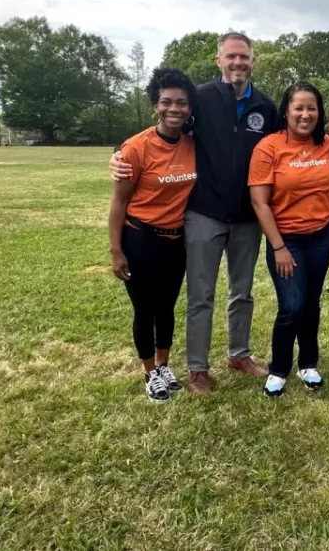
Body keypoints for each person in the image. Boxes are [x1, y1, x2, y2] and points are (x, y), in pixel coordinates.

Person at [111, 32, 277, 394]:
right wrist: (119, 150)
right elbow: (164, 128)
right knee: (201, 295)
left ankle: (239, 354)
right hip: (204, 214)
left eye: (244, 57)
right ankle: (198, 369)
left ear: (253, 60)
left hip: (248, 218)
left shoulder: (265, 108)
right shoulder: (199, 99)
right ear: (219, 60)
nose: (237, 63)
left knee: (242, 291)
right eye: (230, 56)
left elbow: (282, 149)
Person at [107, 67, 198, 403]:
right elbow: (118, 203)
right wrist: (116, 250)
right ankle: (149, 373)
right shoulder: (136, 148)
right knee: (144, 310)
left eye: (182, 103)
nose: (174, 109)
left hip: (175, 243)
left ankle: (163, 366)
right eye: (166, 102)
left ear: (190, 109)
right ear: (155, 105)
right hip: (141, 240)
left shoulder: (192, 144)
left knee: (167, 308)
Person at [248, 83, 329, 397]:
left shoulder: (327, 145)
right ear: (285, 111)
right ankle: (279, 368)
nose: (305, 114)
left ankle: (308, 364)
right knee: (292, 305)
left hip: (322, 238)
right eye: (298, 107)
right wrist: (279, 247)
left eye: (311, 107)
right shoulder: (269, 147)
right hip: (286, 240)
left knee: (311, 303)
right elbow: (260, 203)